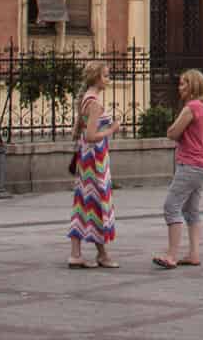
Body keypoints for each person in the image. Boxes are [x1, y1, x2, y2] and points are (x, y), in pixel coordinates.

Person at [153, 68, 203, 270]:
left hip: (191, 163)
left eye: (183, 84)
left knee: (171, 206)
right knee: (191, 209)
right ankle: (193, 254)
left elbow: (172, 132)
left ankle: (171, 255)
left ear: (193, 86)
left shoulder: (192, 107)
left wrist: (173, 130)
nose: (179, 88)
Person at [67, 60, 119, 269]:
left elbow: (81, 130)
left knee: (84, 203)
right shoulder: (94, 102)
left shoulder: (87, 98)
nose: (108, 79)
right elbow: (90, 135)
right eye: (106, 75)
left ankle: (77, 253)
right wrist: (112, 129)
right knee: (97, 203)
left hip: (87, 158)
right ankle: (101, 254)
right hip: (95, 159)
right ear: (96, 78)